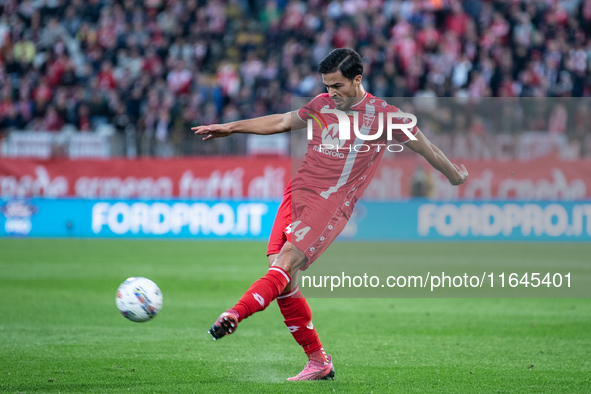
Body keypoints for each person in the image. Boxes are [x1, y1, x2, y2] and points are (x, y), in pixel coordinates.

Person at [192, 48, 468, 381]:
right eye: (327, 86)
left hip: (331, 204)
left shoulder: (385, 116)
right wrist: (232, 128)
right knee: (282, 278)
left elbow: (428, 148)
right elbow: (282, 121)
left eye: (337, 85)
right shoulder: (322, 105)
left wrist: (453, 175)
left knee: (284, 265)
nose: (331, 93)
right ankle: (318, 362)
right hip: (296, 194)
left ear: (357, 79)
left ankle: (234, 314)